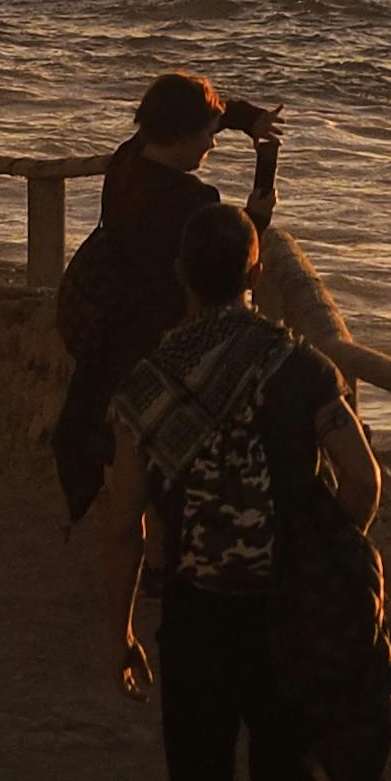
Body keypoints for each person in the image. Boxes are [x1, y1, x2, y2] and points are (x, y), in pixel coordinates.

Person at [96, 193, 378, 781]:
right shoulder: (301, 368)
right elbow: (361, 481)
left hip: (196, 612)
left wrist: (118, 633)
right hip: (285, 611)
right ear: (257, 272)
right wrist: (328, 556)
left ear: (184, 275)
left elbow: (122, 522)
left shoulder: (151, 383)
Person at [51, 69, 283, 518]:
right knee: (162, 477)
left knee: (124, 468)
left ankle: (127, 546)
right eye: (207, 134)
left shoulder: (126, 162)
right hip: (157, 345)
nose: (212, 144)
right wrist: (256, 220)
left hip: (112, 328)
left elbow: (179, 110)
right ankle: (156, 560)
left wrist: (244, 118)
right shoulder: (192, 203)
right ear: (181, 134)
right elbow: (220, 265)